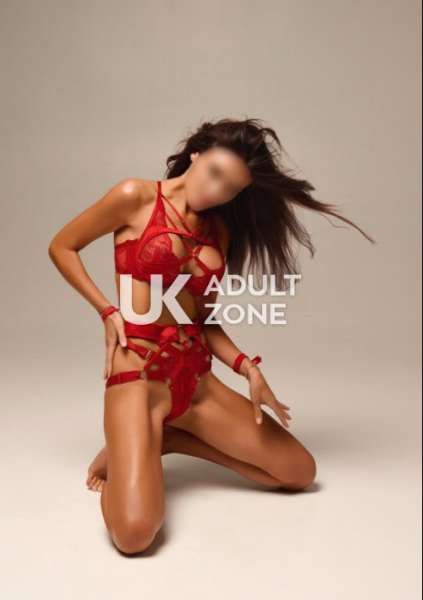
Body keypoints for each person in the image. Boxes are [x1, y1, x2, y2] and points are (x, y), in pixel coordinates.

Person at [48, 117, 374, 555]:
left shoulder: (217, 230)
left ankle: (169, 440)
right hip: (138, 379)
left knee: (299, 473)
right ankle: (136, 446)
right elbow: (62, 246)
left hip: (195, 381)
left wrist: (248, 368)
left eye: (231, 188)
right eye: (214, 173)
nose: (216, 191)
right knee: (135, 535)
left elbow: (203, 321)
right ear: (196, 153)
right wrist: (107, 310)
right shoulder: (134, 197)